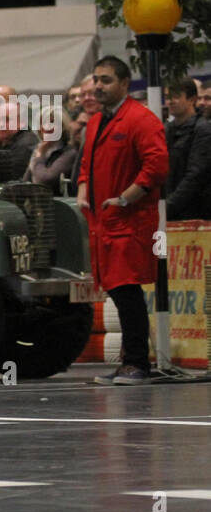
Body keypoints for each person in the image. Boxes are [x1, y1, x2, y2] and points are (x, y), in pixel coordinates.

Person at [77, 55, 168, 385]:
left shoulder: (141, 120)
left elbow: (156, 167)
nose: (98, 86)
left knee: (127, 292)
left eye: (106, 80)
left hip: (128, 222)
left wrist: (125, 198)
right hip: (104, 222)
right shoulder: (95, 122)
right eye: (96, 79)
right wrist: (83, 190)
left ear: (125, 84)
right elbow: (86, 164)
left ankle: (137, 363)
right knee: (117, 291)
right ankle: (130, 362)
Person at [164, 77, 211, 221]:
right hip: (169, 210)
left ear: (192, 99)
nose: (170, 101)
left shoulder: (203, 130)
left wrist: (167, 207)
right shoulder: (165, 129)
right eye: (167, 97)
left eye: (176, 96)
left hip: (196, 214)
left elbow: (195, 176)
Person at [24, 106, 77, 187]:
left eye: (52, 122)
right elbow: (26, 181)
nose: (47, 127)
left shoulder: (70, 152)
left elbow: (45, 180)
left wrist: (39, 157)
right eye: (43, 122)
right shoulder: (39, 148)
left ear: (63, 127)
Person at [0, 100, 38, 171]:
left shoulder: (26, 144)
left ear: (21, 122)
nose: (1, 125)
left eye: (6, 120)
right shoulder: (9, 141)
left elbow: (12, 176)